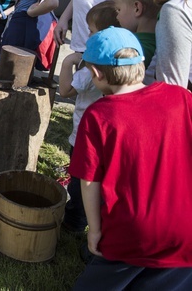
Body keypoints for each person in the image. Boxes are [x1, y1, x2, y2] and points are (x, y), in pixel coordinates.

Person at [69, 27, 192, 290]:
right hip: (185, 230)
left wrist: (95, 230)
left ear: (97, 74)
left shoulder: (98, 116)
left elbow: (89, 181)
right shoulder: (181, 97)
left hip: (132, 233)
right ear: (141, 63)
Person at [59, 0, 119, 236]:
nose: (88, 35)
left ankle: (73, 222)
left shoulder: (90, 70)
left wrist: (68, 62)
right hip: (104, 138)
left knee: (79, 180)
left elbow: (64, 90)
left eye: (92, 31)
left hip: (83, 136)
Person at [113, 0, 167, 81]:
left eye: (119, 9)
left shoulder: (130, 48)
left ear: (137, 8)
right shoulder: (165, 41)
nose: (116, 16)